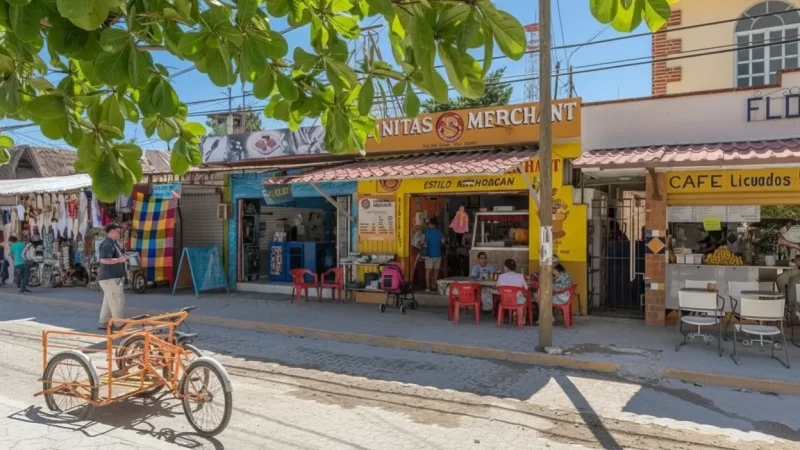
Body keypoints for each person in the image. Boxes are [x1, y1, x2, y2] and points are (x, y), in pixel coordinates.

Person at [97, 223, 128, 331]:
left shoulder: (113, 243)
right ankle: (119, 325)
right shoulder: (107, 244)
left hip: (111, 278)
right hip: (110, 278)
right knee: (117, 300)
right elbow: (103, 260)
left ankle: (103, 322)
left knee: (109, 301)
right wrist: (120, 260)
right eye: (118, 231)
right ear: (112, 231)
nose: (120, 233)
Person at [422, 218, 445, 292]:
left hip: (429, 254)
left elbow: (422, 242)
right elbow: (443, 242)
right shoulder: (439, 232)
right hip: (438, 254)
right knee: (436, 271)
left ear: (430, 223)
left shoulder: (426, 231)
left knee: (428, 270)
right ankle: (434, 285)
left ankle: (427, 286)